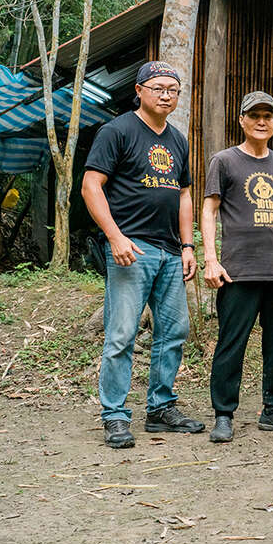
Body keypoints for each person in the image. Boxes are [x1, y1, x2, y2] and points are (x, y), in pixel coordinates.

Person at [81, 61, 204, 449]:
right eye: (158, 87)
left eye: (173, 89)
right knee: (121, 334)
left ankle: (160, 408)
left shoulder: (178, 140)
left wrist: (188, 246)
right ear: (139, 90)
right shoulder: (117, 131)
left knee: (175, 331)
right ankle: (115, 416)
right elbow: (90, 186)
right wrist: (114, 237)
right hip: (132, 248)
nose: (166, 94)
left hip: (170, 251)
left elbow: (183, 194)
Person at [200, 91, 273, 443]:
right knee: (232, 342)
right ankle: (223, 413)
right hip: (238, 269)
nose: (262, 121)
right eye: (254, 115)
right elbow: (209, 210)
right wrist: (211, 258)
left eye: (268, 116)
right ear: (242, 120)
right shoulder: (225, 161)